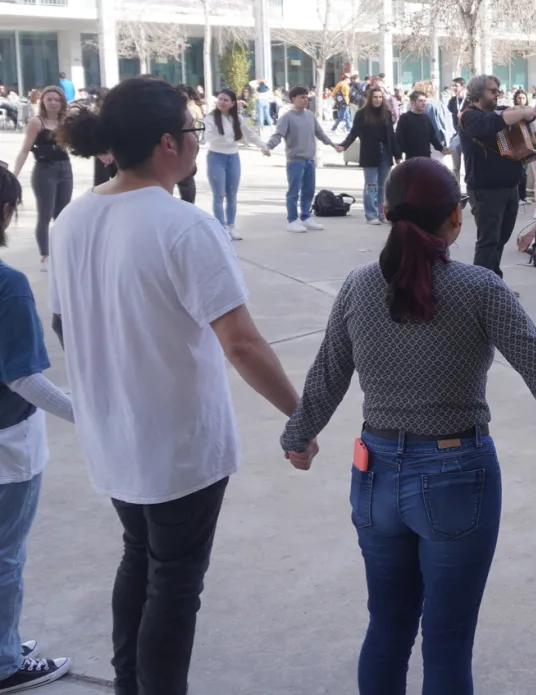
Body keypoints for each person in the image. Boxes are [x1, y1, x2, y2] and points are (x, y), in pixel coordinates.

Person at [278, 157, 536, 695]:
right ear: (455, 221)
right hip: (456, 477)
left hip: (374, 480)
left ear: (389, 213)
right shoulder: (479, 287)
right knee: (446, 643)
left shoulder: (358, 286)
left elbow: (327, 374)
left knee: (387, 628)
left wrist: (298, 435)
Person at [50, 76, 308, 695]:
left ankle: (127, 683)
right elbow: (241, 343)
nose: (197, 139)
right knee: (174, 583)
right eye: (192, 130)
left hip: (112, 435)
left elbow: (64, 321)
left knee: (139, 557)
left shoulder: (71, 219)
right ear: (168, 143)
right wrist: (301, 415)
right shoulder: (185, 226)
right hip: (178, 447)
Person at [0, 163, 74, 692]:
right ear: (6, 212)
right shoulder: (9, 287)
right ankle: (5, 663)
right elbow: (24, 378)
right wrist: (88, 415)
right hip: (7, 447)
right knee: (6, 555)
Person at [459, 75, 536, 277]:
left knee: (500, 238)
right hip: (485, 189)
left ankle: (494, 282)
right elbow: (497, 121)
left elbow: (512, 114)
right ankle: (480, 288)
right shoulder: (469, 117)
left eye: (498, 90)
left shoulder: (497, 111)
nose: (496, 95)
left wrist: (527, 113)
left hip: (509, 186)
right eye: (492, 91)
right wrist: (525, 110)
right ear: (478, 93)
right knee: (488, 241)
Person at [10, 87, 71, 272]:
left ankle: (61, 253)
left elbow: (79, 143)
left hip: (65, 169)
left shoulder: (65, 122)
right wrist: (13, 175)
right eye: (49, 99)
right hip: (45, 171)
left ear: (62, 102)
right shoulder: (36, 122)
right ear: (43, 101)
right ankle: (45, 256)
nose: (53, 102)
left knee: (63, 215)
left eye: (57, 99)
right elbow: (25, 150)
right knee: (45, 214)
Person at [202, 88, 270, 240]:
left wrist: (262, 146)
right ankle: (222, 227)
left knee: (232, 194)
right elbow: (205, 133)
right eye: (220, 99)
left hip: (233, 157)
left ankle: (231, 226)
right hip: (215, 157)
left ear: (233, 103)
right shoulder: (210, 118)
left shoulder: (237, 119)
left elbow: (250, 134)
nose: (222, 102)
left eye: (226, 100)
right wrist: (200, 138)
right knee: (219, 194)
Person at [265, 86, 335, 233]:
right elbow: (278, 135)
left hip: (310, 159)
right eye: (302, 97)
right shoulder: (287, 118)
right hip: (295, 161)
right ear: (293, 99)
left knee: (308, 191)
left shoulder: (310, 115)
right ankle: (292, 220)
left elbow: (320, 133)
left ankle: (305, 217)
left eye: (306, 97)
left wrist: (333, 145)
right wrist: (268, 147)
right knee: (293, 192)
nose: (305, 100)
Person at [341, 86, 398, 227]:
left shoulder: (387, 113)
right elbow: (354, 132)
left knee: (383, 186)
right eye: (375, 97)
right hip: (370, 153)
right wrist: (343, 145)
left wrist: (397, 154)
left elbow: (391, 136)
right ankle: (370, 214)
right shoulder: (362, 114)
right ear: (370, 98)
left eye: (380, 97)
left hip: (385, 152)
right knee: (371, 185)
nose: (378, 100)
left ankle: (381, 213)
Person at [396, 91, 446, 162]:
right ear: (412, 102)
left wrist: (441, 148)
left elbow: (432, 137)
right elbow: (399, 138)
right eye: (420, 101)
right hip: (411, 158)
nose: (423, 103)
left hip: (426, 157)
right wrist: (398, 156)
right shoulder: (405, 118)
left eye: (424, 101)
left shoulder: (426, 118)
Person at [445, 78, 468, 182]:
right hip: (456, 135)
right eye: (453, 85)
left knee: (468, 165)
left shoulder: (469, 101)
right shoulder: (452, 101)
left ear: (463, 86)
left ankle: (470, 192)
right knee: (455, 167)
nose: (454, 88)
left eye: (456, 85)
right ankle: (456, 191)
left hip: (467, 136)